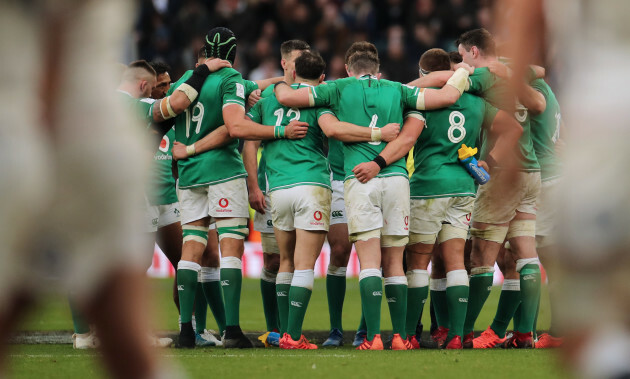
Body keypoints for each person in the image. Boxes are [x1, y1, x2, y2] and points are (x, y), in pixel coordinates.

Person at [0, 1, 163, 377]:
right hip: (97, 140)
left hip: (33, 127)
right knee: (127, 342)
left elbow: (51, 23)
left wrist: (43, 122)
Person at [275, 44, 470, 350]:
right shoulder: (398, 90)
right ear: (377, 70)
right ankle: (402, 338)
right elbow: (447, 96)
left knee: (368, 261)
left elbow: (287, 97)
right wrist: (464, 71)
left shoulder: (336, 89)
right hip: (396, 179)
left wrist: (280, 77)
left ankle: (374, 338)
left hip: (360, 177)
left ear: (348, 70)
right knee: (394, 262)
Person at [249, 50, 401, 349]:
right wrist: (379, 132)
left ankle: (304, 333)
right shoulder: (325, 97)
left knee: (289, 261)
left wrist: (273, 88)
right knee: (320, 260)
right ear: (326, 76)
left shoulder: (272, 96)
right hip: (323, 181)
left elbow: (243, 128)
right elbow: (332, 129)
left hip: (281, 187)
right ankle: (303, 333)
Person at [171, 27, 309, 349]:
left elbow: (252, 86)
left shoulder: (184, 82)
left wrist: (277, 82)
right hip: (222, 172)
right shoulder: (230, 80)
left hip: (189, 177)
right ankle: (231, 330)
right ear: (234, 53)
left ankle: (185, 331)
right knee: (230, 247)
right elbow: (235, 126)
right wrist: (280, 130)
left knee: (191, 249)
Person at [403, 48, 523, 349]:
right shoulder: (476, 102)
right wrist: (489, 162)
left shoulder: (423, 100)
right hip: (464, 186)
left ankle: (407, 337)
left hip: (428, 185)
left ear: (424, 74)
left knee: (418, 262)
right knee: (456, 260)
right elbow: (514, 129)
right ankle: (457, 334)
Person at [455, 28, 543, 349]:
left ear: (474, 52)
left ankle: (462, 334)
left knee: (481, 255)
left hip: (503, 172)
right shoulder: (515, 70)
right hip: (530, 170)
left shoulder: (482, 77)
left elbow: (450, 85)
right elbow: (541, 71)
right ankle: (522, 335)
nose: (463, 63)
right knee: (524, 254)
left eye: (464, 56)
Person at [242, 40, 311, 345]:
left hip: (309, 186)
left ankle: (290, 330)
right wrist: (253, 186)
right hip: (272, 188)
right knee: (274, 260)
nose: (301, 68)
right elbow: (250, 143)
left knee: (299, 259)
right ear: (284, 64)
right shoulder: (265, 98)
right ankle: (275, 329)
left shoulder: (314, 93)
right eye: (297, 62)